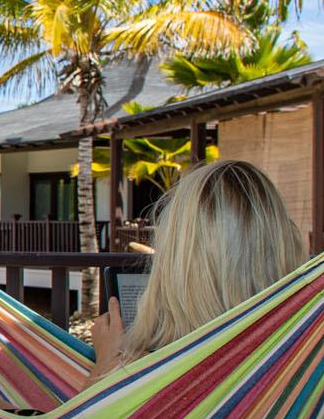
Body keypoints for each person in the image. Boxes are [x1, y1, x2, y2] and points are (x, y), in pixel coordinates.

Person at [89, 159, 307, 377]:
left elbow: (81, 413)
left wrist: (107, 361)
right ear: (282, 243)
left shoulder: (149, 374)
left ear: (177, 259)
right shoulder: (306, 348)